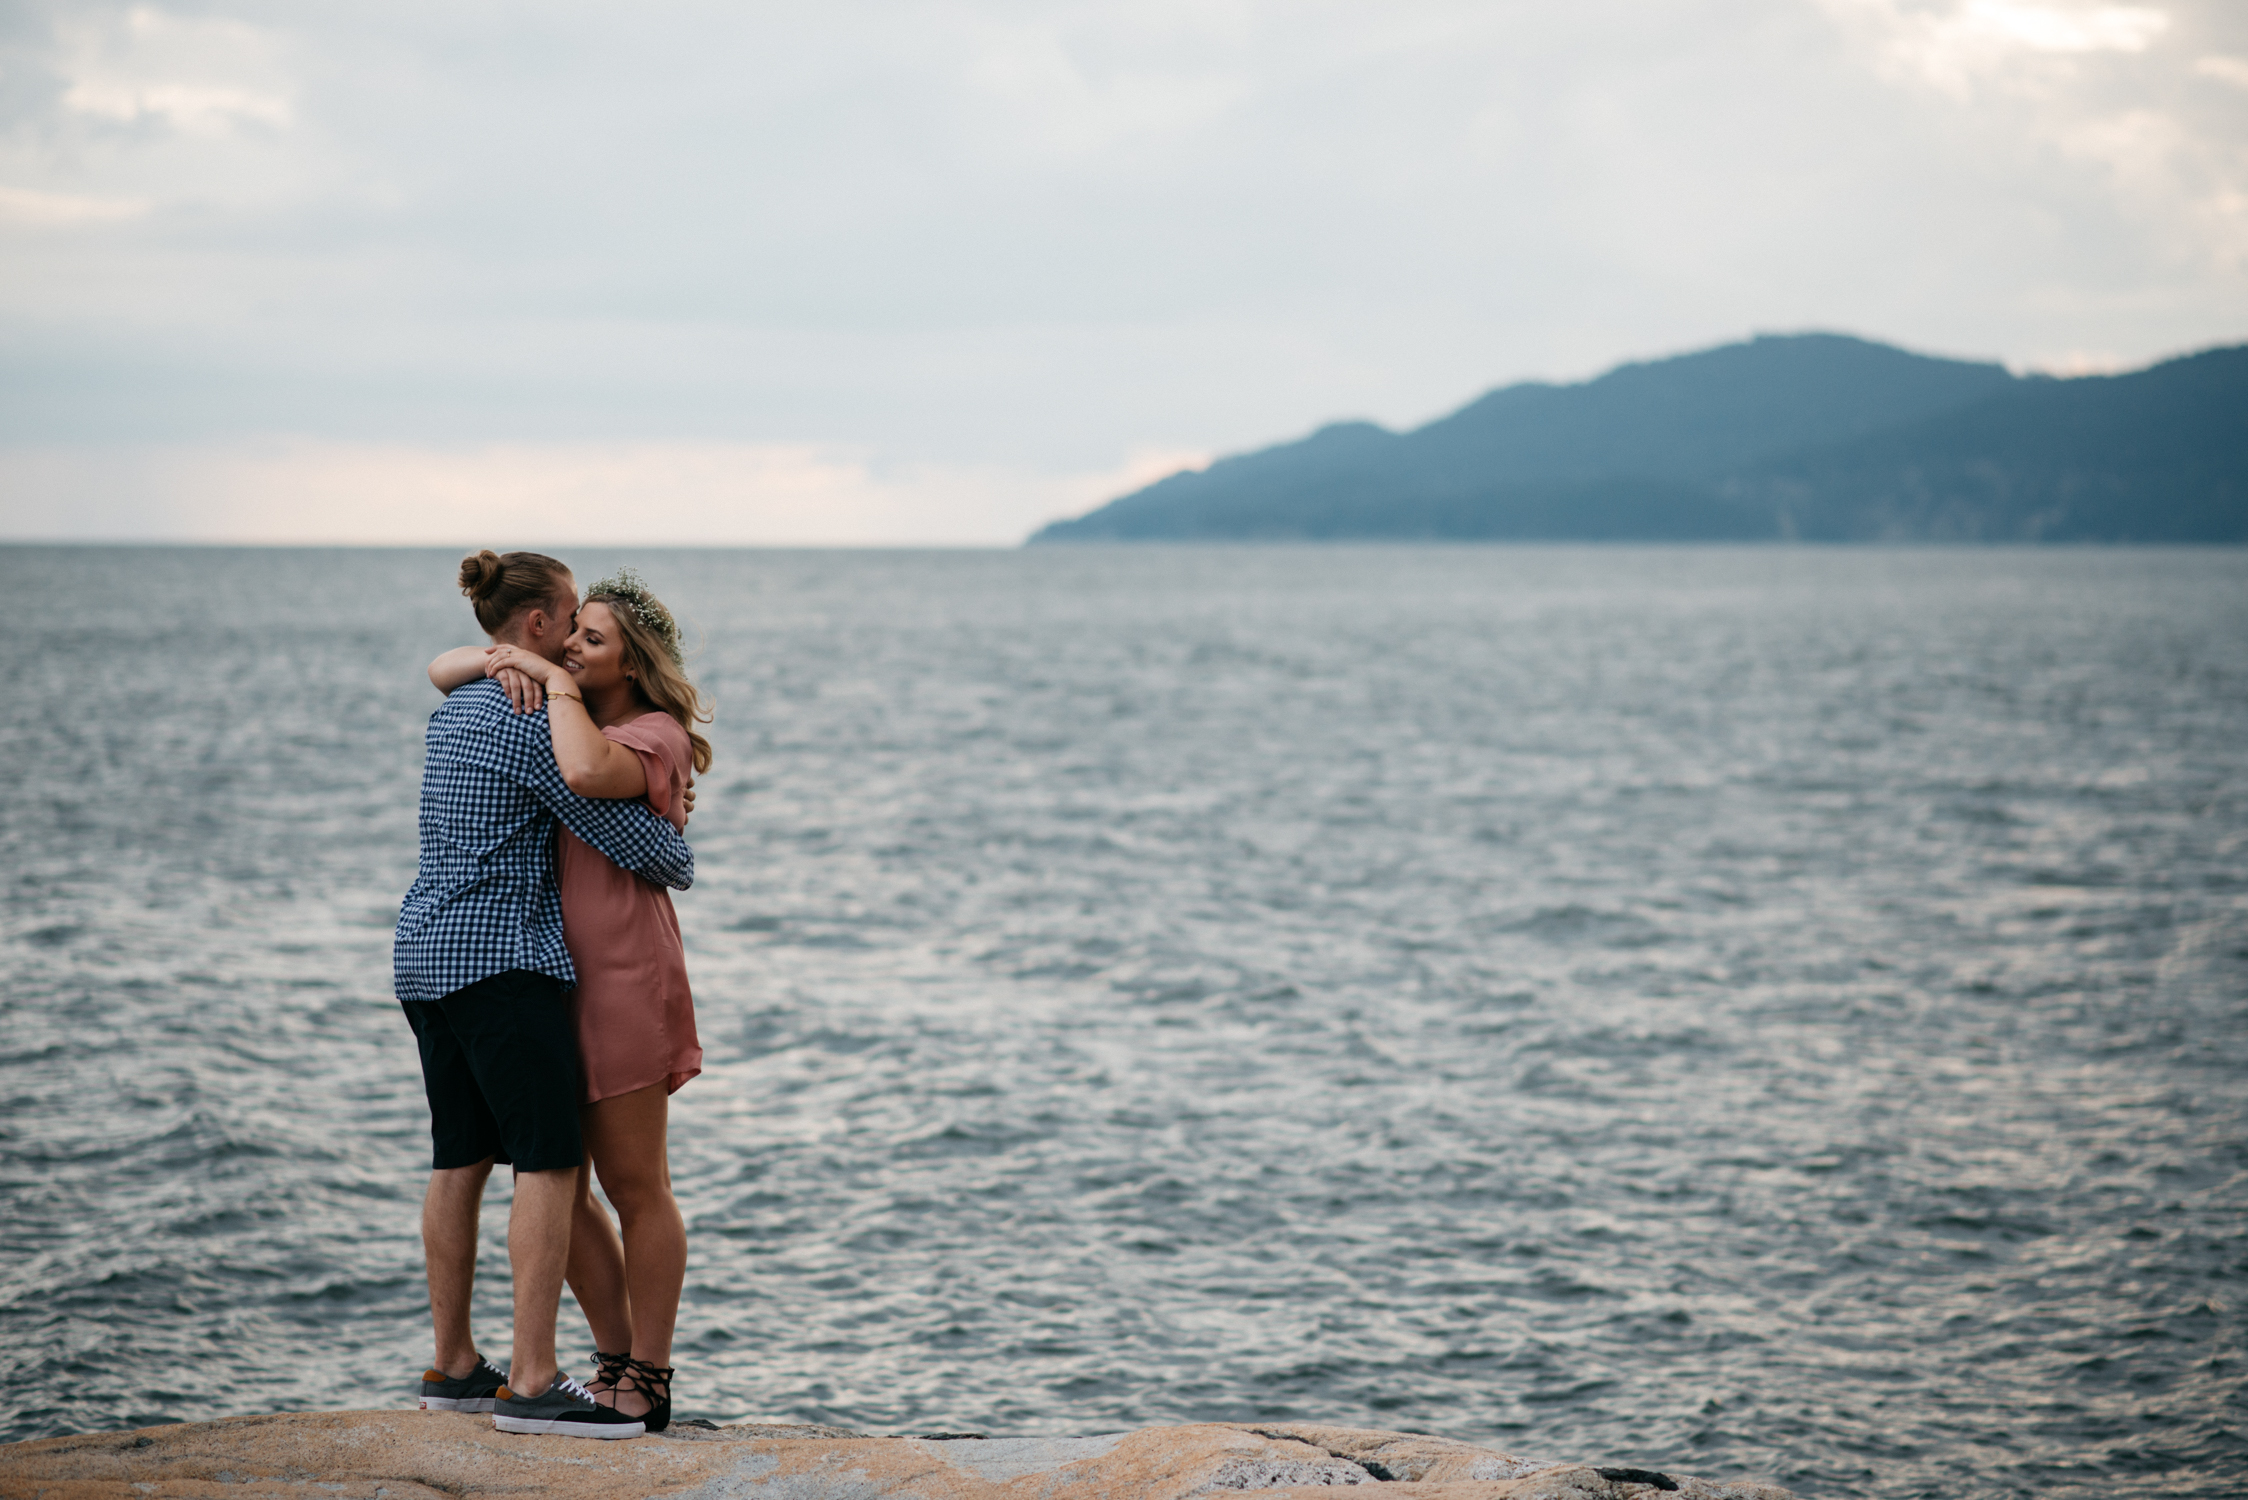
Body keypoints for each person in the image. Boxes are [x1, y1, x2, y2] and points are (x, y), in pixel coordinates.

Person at [398, 549, 693, 1442]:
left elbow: (446, 668)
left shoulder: (462, 710)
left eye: (589, 633)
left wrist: (528, 675)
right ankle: (534, 1379)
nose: (570, 640)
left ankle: (457, 1366)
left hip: (427, 953)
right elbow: (663, 853)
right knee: (551, 1167)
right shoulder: (536, 726)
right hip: (507, 965)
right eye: (569, 623)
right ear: (536, 627)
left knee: (461, 1159)